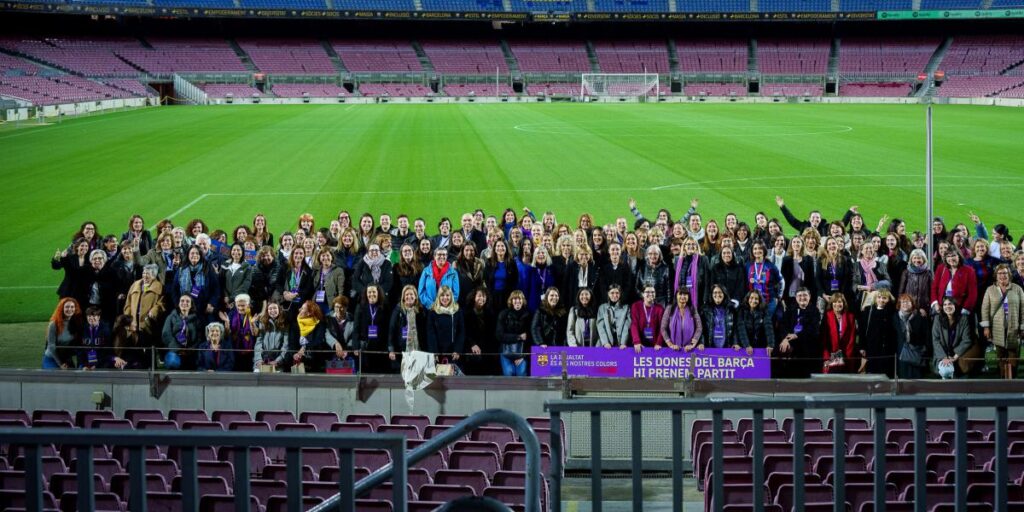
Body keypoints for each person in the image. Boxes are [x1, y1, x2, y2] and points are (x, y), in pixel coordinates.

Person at [980, 264, 1024, 379]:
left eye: (1005, 273)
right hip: (997, 327)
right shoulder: (990, 290)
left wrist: (1022, 327)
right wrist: (986, 327)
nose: (1002, 275)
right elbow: (985, 309)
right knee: (1001, 356)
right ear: (996, 275)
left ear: (1009, 274)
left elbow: (1023, 309)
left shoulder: (1017, 289)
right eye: (999, 273)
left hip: (1014, 327)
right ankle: (1002, 379)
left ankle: (1013, 379)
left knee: (1013, 356)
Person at [775, 287, 820, 378]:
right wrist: (785, 339)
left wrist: (797, 335)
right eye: (799, 295)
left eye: (805, 295)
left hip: (807, 343)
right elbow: (783, 326)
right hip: (790, 342)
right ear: (796, 298)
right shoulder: (790, 309)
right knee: (780, 349)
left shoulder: (815, 311)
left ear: (809, 296)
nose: (802, 298)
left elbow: (814, 330)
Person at [171, 245, 221, 324]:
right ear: (188, 255)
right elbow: (174, 289)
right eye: (192, 253)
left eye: (197, 253)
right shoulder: (181, 270)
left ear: (200, 255)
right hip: (185, 308)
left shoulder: (208, 269)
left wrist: (211, 303)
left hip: (204, 309)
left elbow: (216, 288)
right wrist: (178, 305)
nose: (194, 255)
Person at [123, 264, 164, 354]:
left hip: (148, 321)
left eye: (148, 273)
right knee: (134, 346)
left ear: (154, 275)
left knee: (147, 346)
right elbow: (128, 303)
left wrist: (154, 310)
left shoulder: (159, 286)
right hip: (133, 320)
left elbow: (161, 303)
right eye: (144, 273)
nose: (145, 275)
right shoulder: (135, 284)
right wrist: (128, 318)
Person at [858, 288, 897, 377]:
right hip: (871, 348)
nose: (881, 300)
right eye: (879, 297)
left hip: (886, 350)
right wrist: (862, 347)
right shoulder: (868, 310)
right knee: (872, 373)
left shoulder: (891, 312)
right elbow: (862, 330)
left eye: (884, 298)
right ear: (875, 298)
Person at [932, 297, 973, 379]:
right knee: (944, 371)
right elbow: (935, 340)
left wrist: (955, 357)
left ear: (955, 305)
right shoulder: (937, 319)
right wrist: (944, 357)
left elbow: (967, 340)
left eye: (950, 304)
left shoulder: (963, 319)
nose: (947, 306)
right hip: (942, 353)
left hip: (957, 353)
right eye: (945, 304)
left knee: (960, 371)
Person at [354, 285, 391, 374]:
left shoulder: (385, 307)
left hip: (381, 347)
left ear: (378, 293)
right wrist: (355, 346)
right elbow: (356, 328)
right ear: (366, 294)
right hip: (365, 346)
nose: (371, 294)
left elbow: (388, 328)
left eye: (374, 292)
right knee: (365, 375)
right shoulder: (360, 307)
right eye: (369, 292)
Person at [426, 286, 465, 369]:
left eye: (447, 295)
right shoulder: (433, 311)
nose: (445, 298)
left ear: (451, 296)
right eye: (442, 295)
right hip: (438, 352)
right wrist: (434, 352)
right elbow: (431, 334)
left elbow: (461, 332)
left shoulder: (457, 310)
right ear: (438, 297)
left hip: (453, 352)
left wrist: (457, 350)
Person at [894, 294, 931, 379]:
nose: (905, 304)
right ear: (899, 304)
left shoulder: (920, 317)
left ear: (912, 304)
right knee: (903, 380)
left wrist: (925, 350)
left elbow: (927, 336)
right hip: (901, 355)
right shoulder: (895, 318)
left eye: (908, 302)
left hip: (917, 354)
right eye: (903, 302)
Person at [495, 290, 532, 376]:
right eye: (515, 299)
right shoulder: (503, 314)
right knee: (509, 374)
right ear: (511, 301)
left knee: (521, 374)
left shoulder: (528, 315)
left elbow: (530, 338)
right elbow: (499, 335)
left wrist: (523, 356)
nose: (517, 301)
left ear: (523, 301)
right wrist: (518, 337)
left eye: (520, 299)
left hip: (522, 354)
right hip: (506, 352)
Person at [463, 287, 498, 375]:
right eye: (479, 296)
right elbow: (465, 333)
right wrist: (473, 344)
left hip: (487, 351)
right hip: (471, 349)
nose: (481, 298)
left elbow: (492, 335)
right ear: (474, 297)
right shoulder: (466, 313)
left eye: (484, 296)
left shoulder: (490, 313)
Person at [746, 242, 783, 322]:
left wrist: (779, 296)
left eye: (760, 248)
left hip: (769, 302)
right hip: (753, 302)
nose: (757, 251)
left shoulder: (770, 266)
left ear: (764, 250)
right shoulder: (748, 265)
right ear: (752, 251)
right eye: (755, 249)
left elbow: (781, 281)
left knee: (767, 324)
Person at [161, 295, 201, 370]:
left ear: (191, 305)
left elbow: (198, 338)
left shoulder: (196, 319)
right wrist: (178, 349)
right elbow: (166, 334)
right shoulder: (171, 317)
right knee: (173, 361)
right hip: (175, 351)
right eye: (182, 301)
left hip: (190, 353)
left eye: (187, 301)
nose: (184, 303)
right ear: (179, 304)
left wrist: (190, 350)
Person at [42, 297, 83, 369]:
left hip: (66, 358)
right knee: (57, 375)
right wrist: (60, 364)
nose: (70, 309)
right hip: (52, 358)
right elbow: (51, 347)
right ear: (61, 309)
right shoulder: (54, 324)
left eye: (72, 307)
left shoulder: (76, 323)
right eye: (67, 307)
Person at [821, 294, 856, 374]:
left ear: (844, 303)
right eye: (835, 302)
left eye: (840, 302)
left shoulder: (850, 317)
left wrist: (846, 356)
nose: (837, 304)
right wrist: (827, 357)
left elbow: (852, 338)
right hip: (831, 354)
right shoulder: (827, 316)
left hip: (846, 355)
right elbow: (824, 338)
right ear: (831, 304)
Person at [253, 301, 290, 372]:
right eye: (270, 309)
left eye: (275, 308)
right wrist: (258, 360)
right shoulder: (262, 323)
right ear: (267, 311)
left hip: (278, 362)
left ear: (279, 309)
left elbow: (285, 345)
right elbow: (258, 343)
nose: (272, 310)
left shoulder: (285, 324)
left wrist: (278, 361)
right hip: (262, 360)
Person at [737, 290, 774, 357]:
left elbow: (768, 327)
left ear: (759, 301)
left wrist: (770, 344)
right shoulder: (741, 310)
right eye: (751, 298)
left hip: (760, 345)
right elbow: (741, 329)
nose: (753, 301)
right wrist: (747, 345)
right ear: (748, 299)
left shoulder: (764, 310)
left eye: (756, 299)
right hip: (745, 345)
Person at [630, 285, 665, 353]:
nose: (650, 294)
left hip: (655, 346)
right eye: (647, 292)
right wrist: (636, 341)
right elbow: (634, 324)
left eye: (653, 292)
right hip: (640, 344)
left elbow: (662, 327)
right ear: (642, 294)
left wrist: (659, 343)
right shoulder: (636, 306)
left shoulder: (660, 308)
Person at [899, 249, 933, 317]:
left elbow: (931, 291)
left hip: (924, 308)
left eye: (919, 258)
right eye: (914, 258)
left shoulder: (928, 273)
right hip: (909, 307)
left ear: (923, 259)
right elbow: (901, 291)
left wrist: (927, 308)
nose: (917, 260)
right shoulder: (906, 272)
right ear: (911, 259)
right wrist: (901, 306)